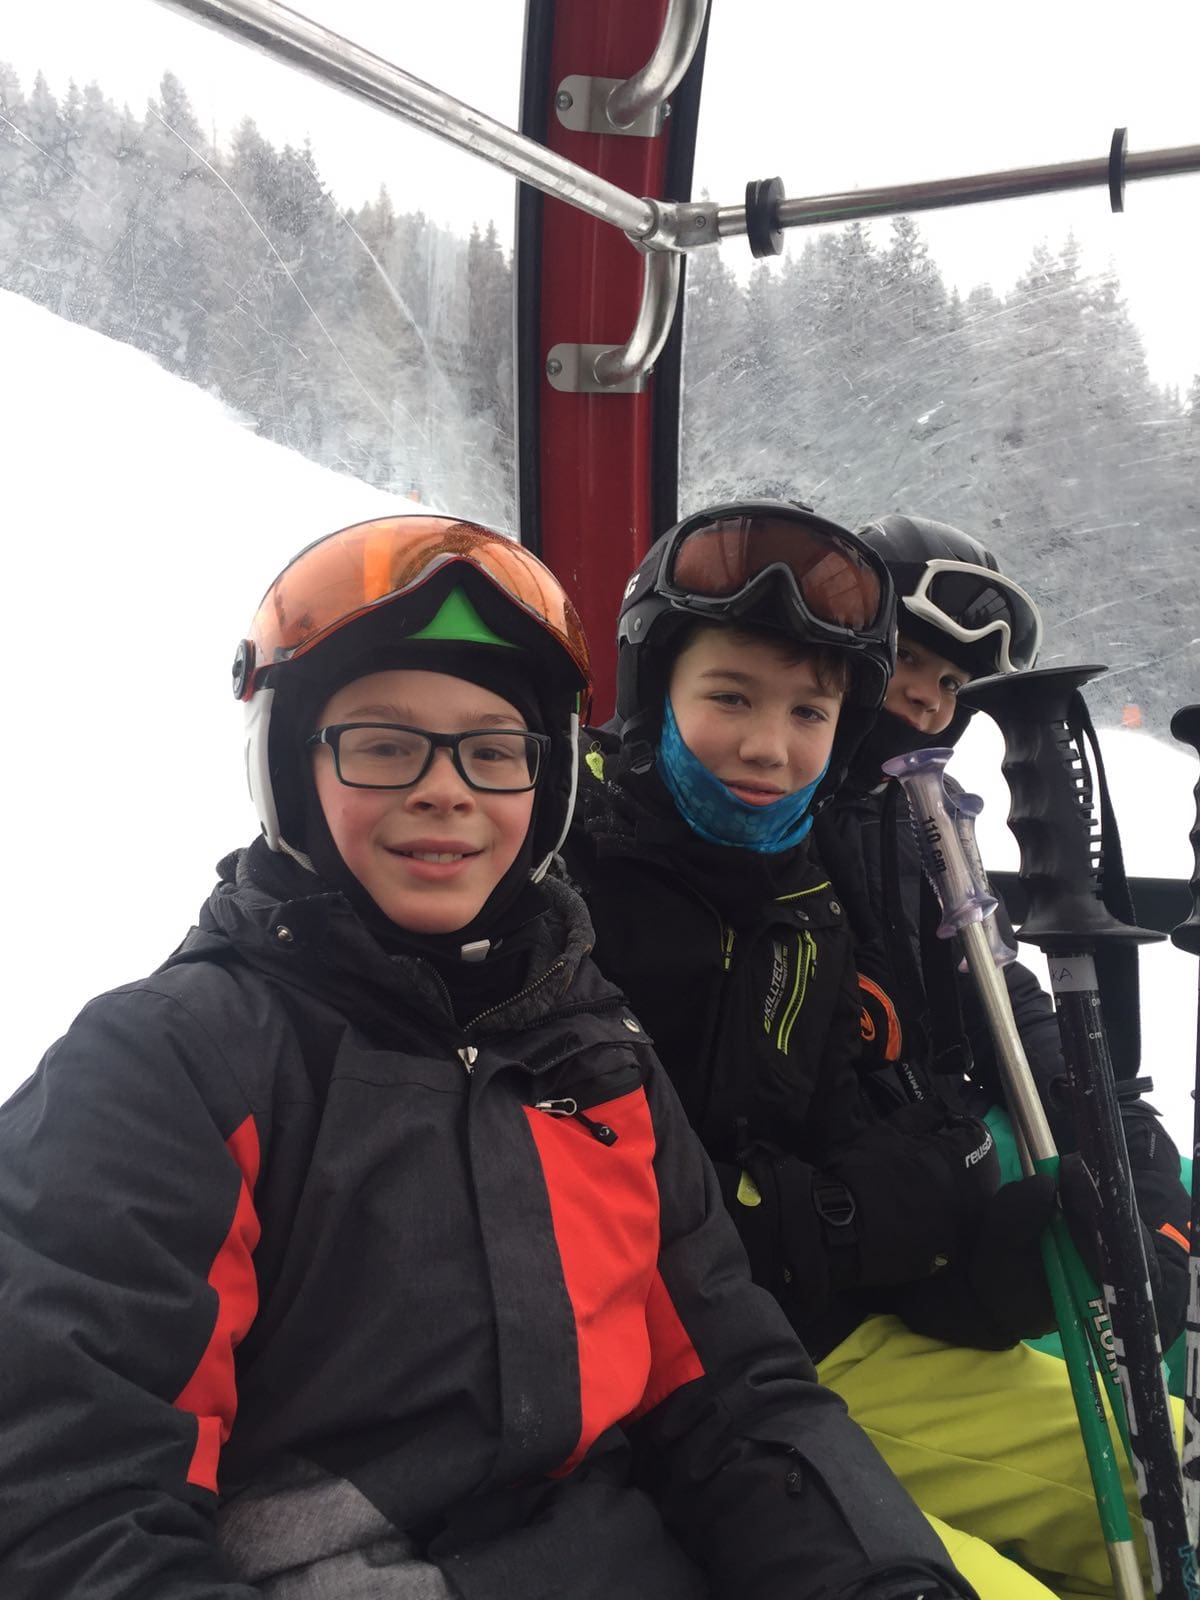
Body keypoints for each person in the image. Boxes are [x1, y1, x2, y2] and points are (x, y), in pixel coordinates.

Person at [0, 512, 976, 1600]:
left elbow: (734, 1393)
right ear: (288, 768)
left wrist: (882, 1578)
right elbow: (75, 1512)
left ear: (543, 784)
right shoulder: (166, 1068)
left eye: (493, 750)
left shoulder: (594, 1053)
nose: (447, 789)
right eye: (382, 743)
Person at [562, 499, 1071, 1597]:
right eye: (730, 697)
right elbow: (593, 1197)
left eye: (808, 711)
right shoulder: (564, 873)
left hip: (810, 1332)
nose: (769, 746)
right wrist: (857, 1214)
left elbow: (849, 1099)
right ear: (655, 690)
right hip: (674, 1380)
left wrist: (959, 1256)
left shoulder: (806, 885)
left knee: (1153, 1462)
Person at [812, 512, 1190, 1594]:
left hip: (902, 1297)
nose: (927, 701)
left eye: (950, 685)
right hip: (823, 1332)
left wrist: (1131, 1151)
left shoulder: (908, 833)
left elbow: (1014, 1013)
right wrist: (951, 1259)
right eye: (906, 662)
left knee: (1176, 1478)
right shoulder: (760, 849)